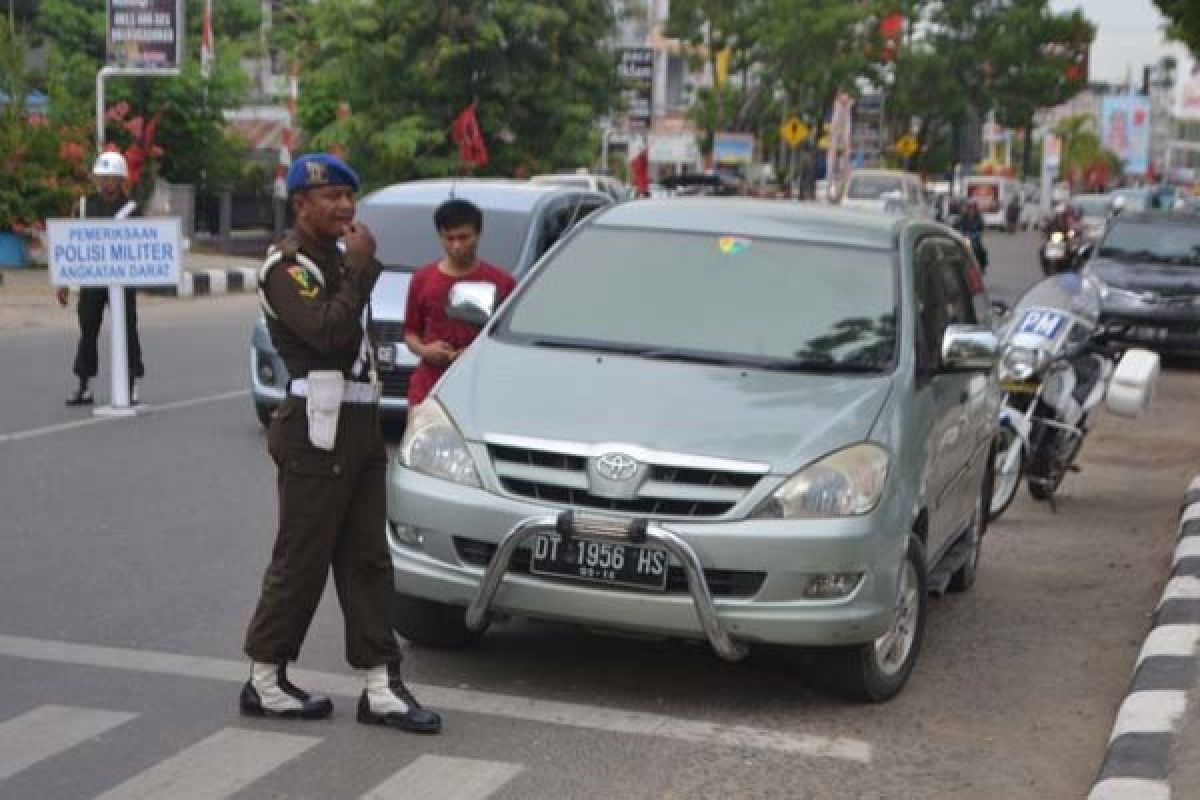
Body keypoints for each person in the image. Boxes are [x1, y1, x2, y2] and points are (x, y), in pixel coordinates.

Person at [241, 153, 442, 734]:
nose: (345, 207)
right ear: (301, 204)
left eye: (349, 197)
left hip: (356, 428)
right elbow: (328, 335)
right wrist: (359, 269)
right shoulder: (290, 266)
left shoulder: (334, 259)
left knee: (369, 562)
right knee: (301, 559)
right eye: (330, 197)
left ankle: (382, 685)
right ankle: (265, 677)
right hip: (314, 429)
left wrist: (355, 267)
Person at [403, 198, 516, 407]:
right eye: (449, 238)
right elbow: (410, 332)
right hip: (428, 389)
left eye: (464, 238)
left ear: (478, 235)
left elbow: (509, 339)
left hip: (479, 389)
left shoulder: (502, 283)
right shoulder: (422, 279)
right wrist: (426, 351)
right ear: (440, 237)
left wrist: (476, 353)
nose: (456, 246)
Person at [58, 152, 144, 406]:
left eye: (111, 178)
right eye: (102, 177)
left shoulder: (132, 210)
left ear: (121, 180)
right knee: (87, 331)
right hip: (92, 281)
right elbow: (70, 243)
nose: (106, 183)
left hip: (123, 282)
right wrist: (63, 282)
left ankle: (131, 384)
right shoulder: (84, 206)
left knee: (128, 331)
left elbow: (143, 245)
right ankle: (84, 385)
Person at [957, 198, 988, 271]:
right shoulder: (963, 217)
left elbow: (982, 229)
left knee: (981, 251)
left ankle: (982, 267)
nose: (971, 210)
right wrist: (963, 233)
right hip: (965, 238)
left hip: (975, 238)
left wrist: (975, 235)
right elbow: (959, 227)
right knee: (959, 250)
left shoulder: (979, 218)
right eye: (969, 207)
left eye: (973, 208)